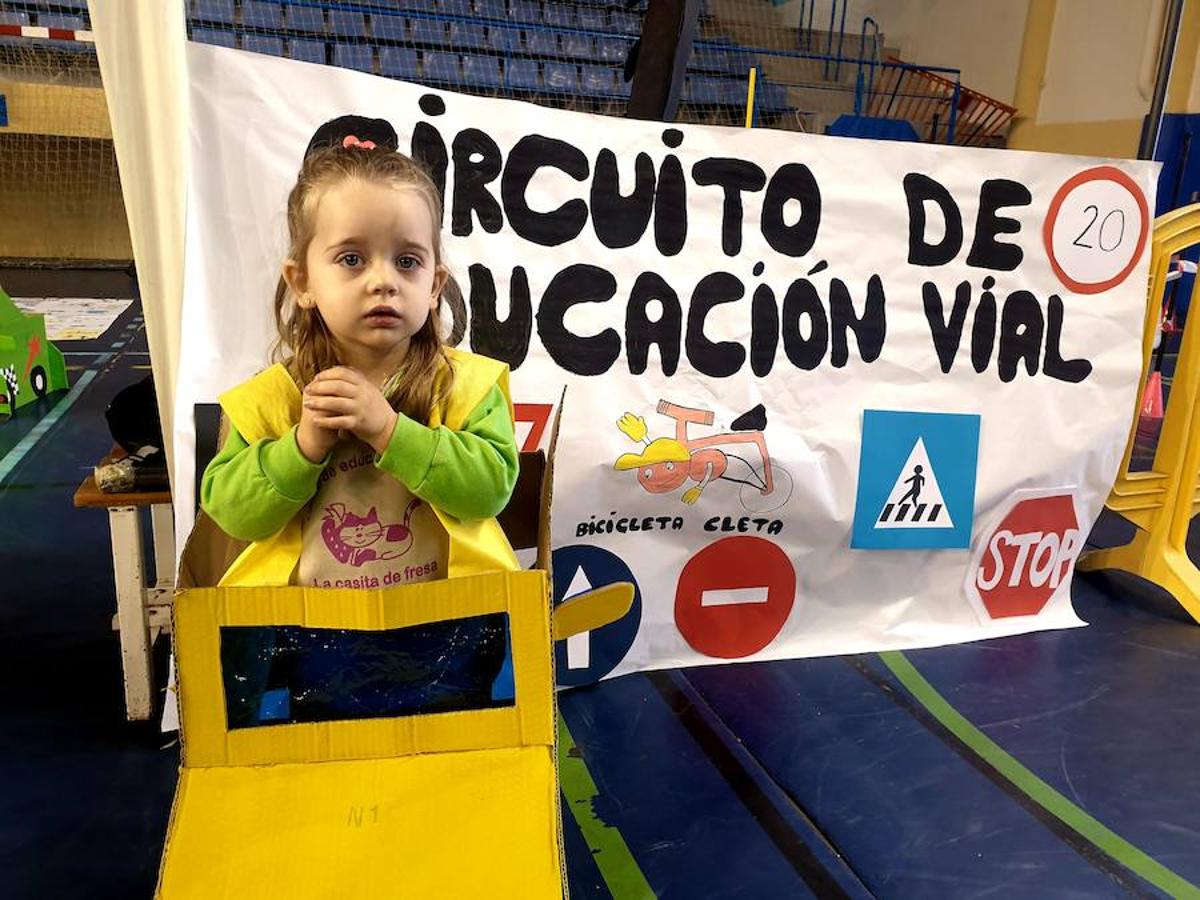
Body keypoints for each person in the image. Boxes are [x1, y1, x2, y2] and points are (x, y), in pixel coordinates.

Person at [201, 132, 519, 725]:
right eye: (351, 258)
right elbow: (234, 512)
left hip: (448, 629)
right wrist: (302, 447)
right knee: (337, 758)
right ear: (302, 283)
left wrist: (391, 430)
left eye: (407, 260)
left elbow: (490, 488)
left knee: (445, 760)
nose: (382, 280)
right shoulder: (272, 399)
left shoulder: (467, 386)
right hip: (318, 638)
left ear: (434, 285)